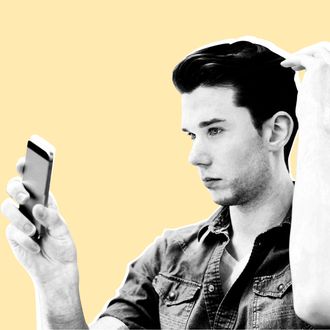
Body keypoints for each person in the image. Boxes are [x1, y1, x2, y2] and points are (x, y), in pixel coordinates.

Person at [2, 37, 330, 329]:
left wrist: (318, 122)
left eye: (215, 130)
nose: (195, 156)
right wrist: (54, 282)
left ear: (276, 131)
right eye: (192, 134)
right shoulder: (168, 256)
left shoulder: (321, 258)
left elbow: (317, 304)